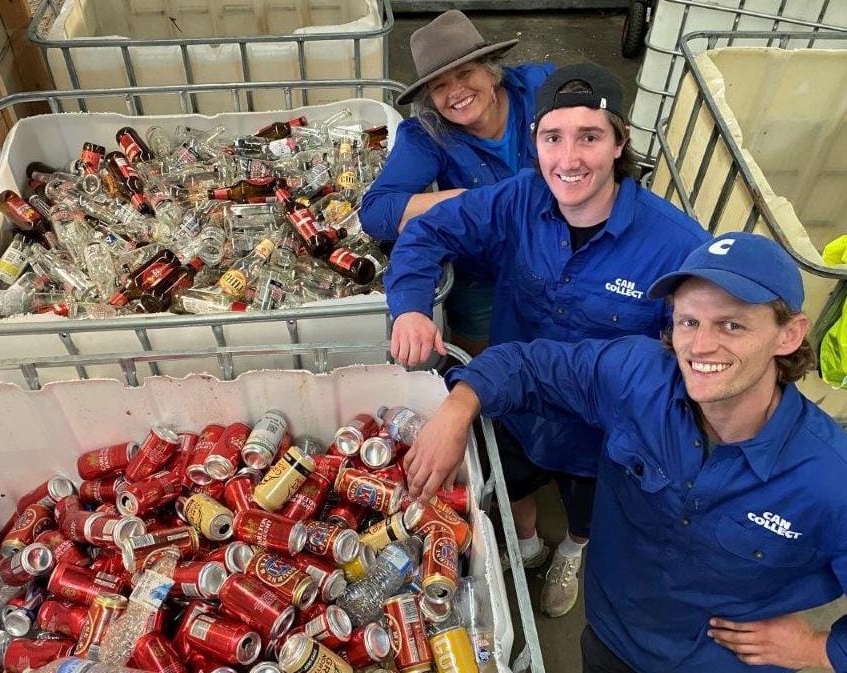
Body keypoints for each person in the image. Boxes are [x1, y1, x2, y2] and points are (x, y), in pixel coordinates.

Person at [404, 232, 847, 673]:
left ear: (789, 335)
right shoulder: (640, 377)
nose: (701, 346)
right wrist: (458, 409)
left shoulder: (830, 477)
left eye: (732, 324)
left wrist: (819, 649)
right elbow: (531, 366)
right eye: (689, 321)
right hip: (609, 636)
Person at [384, 63, 709, 617]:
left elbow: (703, 351)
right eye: (553, 138)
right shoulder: (518, 198)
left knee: (587, 508)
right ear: (535, 144)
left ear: (619, 142)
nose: (570, 158)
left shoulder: (676, 246)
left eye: (590, 137)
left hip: (601, 433)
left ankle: (572, 551)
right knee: (511, 481)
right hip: (515, 404)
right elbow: (426, 229)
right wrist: (411, 308)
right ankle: (527, 542)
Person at [359, 10, 554, 356]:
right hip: (483, 269)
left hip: (558, 249)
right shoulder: (427, 133)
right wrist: (467, 200)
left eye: (465, 73)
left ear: (491, 71)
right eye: (440, 86)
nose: (456, 92)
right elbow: (376, 212)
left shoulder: (540, 88)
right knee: (482, 362)